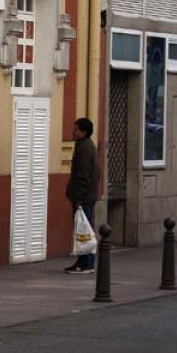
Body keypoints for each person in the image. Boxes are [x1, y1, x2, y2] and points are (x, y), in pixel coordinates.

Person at [65, 117, 100, 274]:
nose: (73, 132)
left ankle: (87, 263)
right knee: (82, 230)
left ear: (83, 132)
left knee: (84, 230)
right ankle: (82, 261)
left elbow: (83, 176)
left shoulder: (85, 148)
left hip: (84, 197)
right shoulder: (85, 145)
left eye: (76, 129)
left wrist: (78, 198)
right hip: (86, 196)